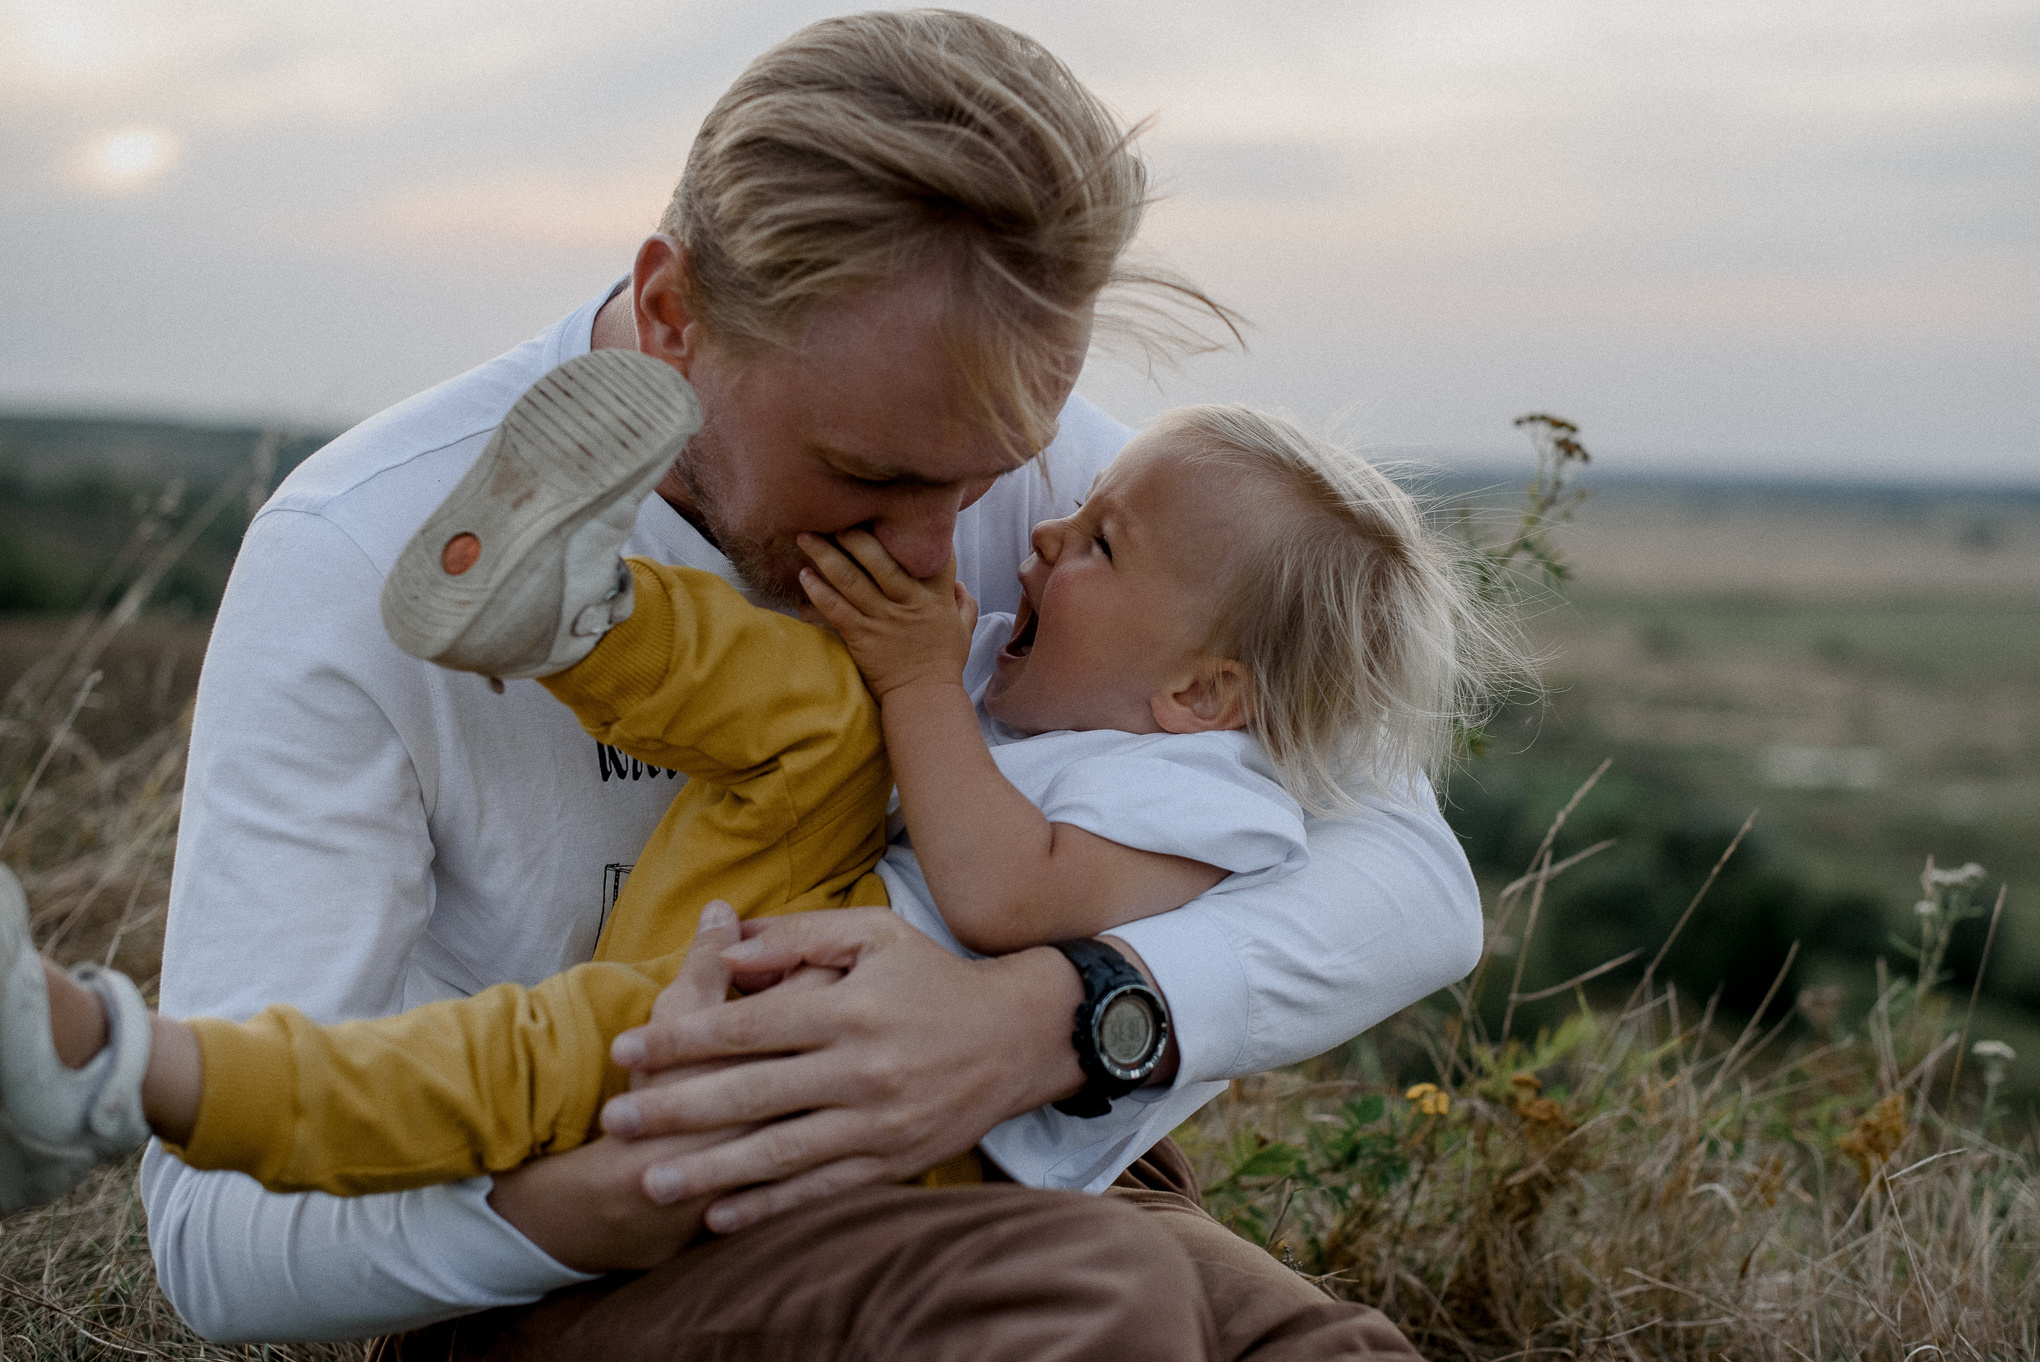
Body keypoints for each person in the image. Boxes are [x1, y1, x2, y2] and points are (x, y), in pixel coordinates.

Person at [133, 10, 1483, 1354]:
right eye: (877, 476)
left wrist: (1040, 1023)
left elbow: (1414, 884)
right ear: (673, 314)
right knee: (1098, 1306)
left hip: (1006, 1167)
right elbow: (219, 1238)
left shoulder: (1035, 461)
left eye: (999, 468)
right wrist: (590, 1206)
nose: (945, 545)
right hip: (600, 1246)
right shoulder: (364, 550)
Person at [4, 362, 1509, 1225]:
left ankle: (116, 1071)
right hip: (809, 921)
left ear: (1202, 693)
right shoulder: (1087, 674)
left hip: (819, 1070)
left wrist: (921, 682)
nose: (1042, 537)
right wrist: (904, 683)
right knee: (814, 710)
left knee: (512, 1065)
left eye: (1100, 545)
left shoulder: (1215, 806)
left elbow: (996, 892)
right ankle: (563, 617)